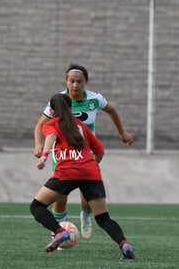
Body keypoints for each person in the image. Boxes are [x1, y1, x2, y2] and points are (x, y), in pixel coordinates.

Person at [33, 64, 134, 239]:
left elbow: (111, 110)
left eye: (79, 81)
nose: (75, 85)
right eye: (71, 81)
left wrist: (121, 132)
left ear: (86, 82)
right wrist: (38, 145)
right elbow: (41, 125)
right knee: (61, 196)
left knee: (86, 195)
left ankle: (85, 218)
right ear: (66, 81)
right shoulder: (59, 101)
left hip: (88, 152)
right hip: (63, 154)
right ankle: (58, 230)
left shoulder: (94, 99)